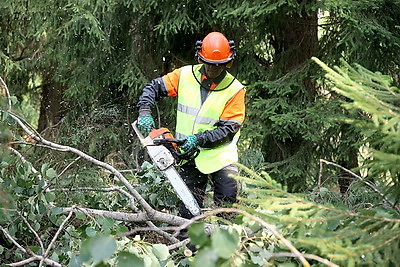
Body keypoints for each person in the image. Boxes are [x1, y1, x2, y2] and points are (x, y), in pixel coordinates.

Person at [136, 32, 246, 219]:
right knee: (188, 210)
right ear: (200, 57)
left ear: (227, 62)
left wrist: (198, 139)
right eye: (209, 63)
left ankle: (225, 243)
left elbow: (228, 130)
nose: (213, 68)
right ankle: (187, 247)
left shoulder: (235, 89)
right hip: (188, 155)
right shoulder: (185, 75)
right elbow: (153, 87)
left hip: (220, 156)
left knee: (227, 205)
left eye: (218, 65)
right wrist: (145, 110)